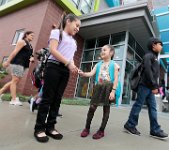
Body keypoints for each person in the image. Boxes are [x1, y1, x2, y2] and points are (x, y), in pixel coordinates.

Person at [34, 13, 81, 143]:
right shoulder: (57, 32)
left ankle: (50, 127)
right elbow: (53, 50)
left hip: (65, 70)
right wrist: (68, 63)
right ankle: (39, 129)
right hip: (53, 67)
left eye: (79, 27)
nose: (78, 29)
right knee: (47, 98)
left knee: (57, 99)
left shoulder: (74, 41)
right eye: (76, 25)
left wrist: (75, 67)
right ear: (68, 21)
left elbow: (70, 58)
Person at [124, 37, 169, 140]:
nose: (161, 46)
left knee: (152, 107)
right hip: (145, 86)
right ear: (153, 45)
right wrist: (154, 86)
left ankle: (155, 130)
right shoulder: (149, 56)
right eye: (160, 44)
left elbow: (152, 73)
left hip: (148, 86)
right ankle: (131, 125)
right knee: (139, 105)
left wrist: (154, 86)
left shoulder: (154, 57)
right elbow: (148, 72)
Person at [79, 44, 119, 140]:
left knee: (106, 108)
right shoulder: (98, 64)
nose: (102, 52)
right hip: (98, 87)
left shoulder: (114, 65)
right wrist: (83, 73)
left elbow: (116, 79)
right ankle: (87, 128)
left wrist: (113, 92)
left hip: (108, 88)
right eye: (101, 50)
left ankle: (101, 130)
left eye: (104, 50)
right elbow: (91, 73)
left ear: (111, 52)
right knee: (92, 107)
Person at [1, 31, 34, 105]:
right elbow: (14, 52)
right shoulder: (22, 42)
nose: (33, 37)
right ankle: (13, 99)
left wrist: (31, 58)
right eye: (31, 35)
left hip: (23, 65)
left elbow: (31, 55)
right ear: (26, 35)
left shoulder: (30, 45)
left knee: (15, 81)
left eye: (33, 36)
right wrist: (7, 61)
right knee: (15, 80)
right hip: (17, 63)